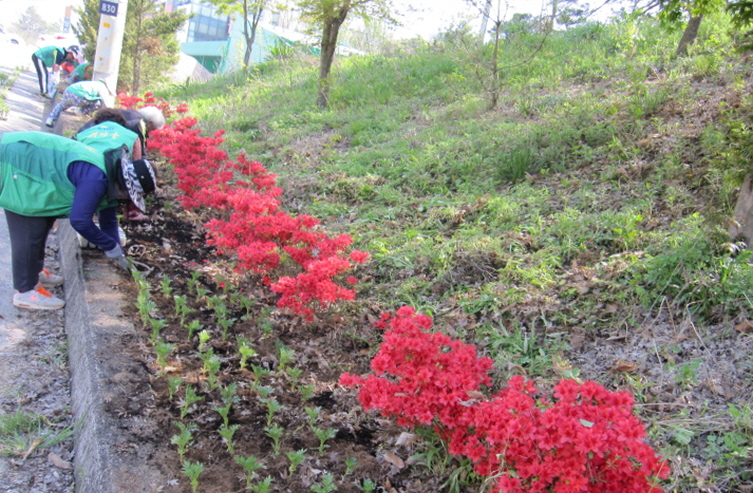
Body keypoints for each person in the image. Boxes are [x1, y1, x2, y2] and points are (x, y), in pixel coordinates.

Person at [0, 131, 156, 310]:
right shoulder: (96, 179)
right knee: (30, 227)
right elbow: (80, 221)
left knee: (42, 220)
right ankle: (25, 291)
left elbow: (108, 218)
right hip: (17, 163)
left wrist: (115, 249)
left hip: (29, 160)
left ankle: (34, 274)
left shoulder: (109, 169)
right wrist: (109, 245)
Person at [78, 105, 165, 158]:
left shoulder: (132, 114)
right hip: (90, 142)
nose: (149, 133)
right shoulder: (138, 124)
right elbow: (139, 154)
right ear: (149, 123)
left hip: (84, 135)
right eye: (152, 129)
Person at [45, 79, 114, 128]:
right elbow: (105, 104)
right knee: (97, 103)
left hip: (68, 91)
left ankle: (50, 119)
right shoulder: (102, 87)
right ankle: (80, 111)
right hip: (79, 97)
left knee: (62, 105)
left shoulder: (92, 83)